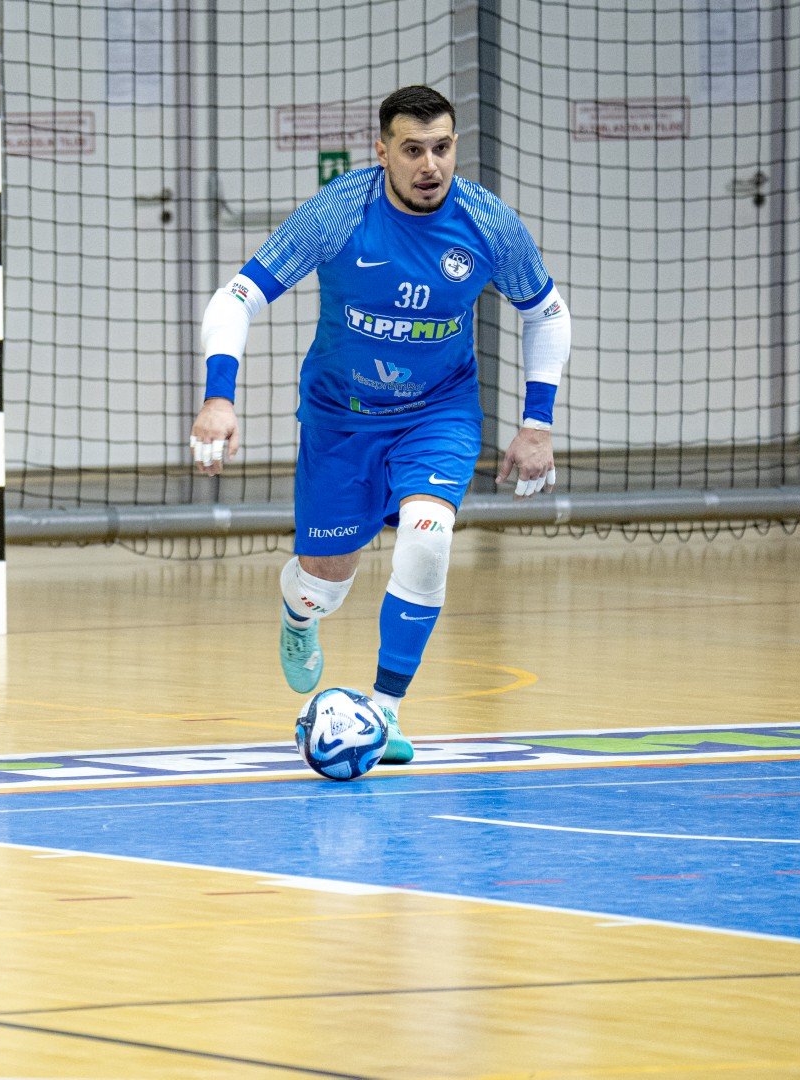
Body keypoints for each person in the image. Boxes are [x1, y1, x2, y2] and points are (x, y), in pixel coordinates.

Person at [188, 85, 570, 762]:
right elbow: (237, 296)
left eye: (443, 148)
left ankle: (384, 712)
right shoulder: (342, 210)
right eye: (413, 149)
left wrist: (537, 422)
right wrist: (220, 395)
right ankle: (299, 613)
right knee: (323, 584)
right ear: (383, 152)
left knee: (430, 536)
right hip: (340, 419)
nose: (431, 165)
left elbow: (546, 313)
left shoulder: (487, 225)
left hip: (439, 413)